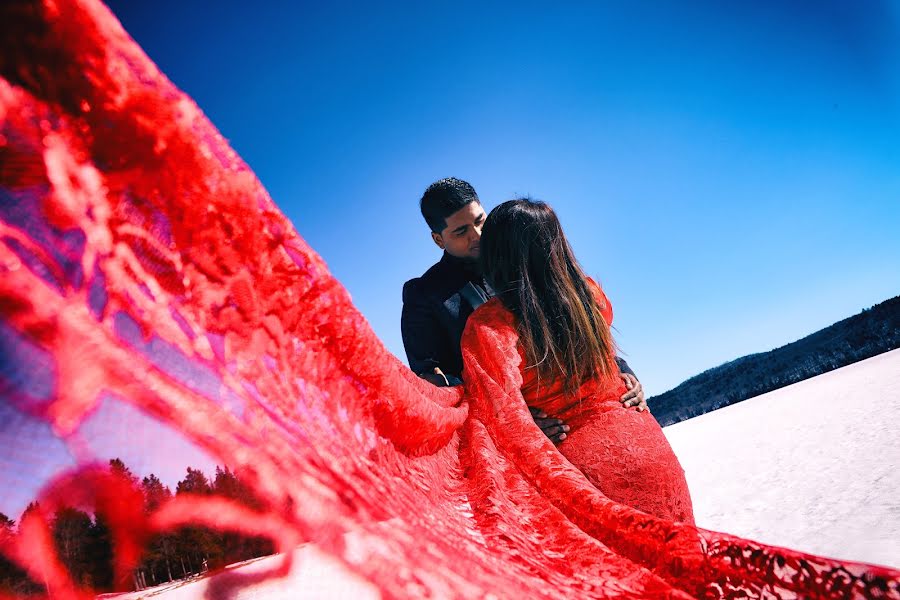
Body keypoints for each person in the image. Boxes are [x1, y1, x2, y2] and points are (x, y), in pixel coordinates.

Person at [461, 198, 694, 523]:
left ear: (495, 253)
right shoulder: (591, 295)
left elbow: (494, 413)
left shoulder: (490, 324)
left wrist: (526, 424)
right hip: (651, 452)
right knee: (680, 563)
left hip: (580, 474)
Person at [401, 178, 647, 443]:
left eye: (480, 221)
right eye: (461, 232)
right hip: (513, 443)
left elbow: (577, 320)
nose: (477, 236)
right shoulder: (423, 295)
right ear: (438, 239)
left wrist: (623, 373)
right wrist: (513, 417)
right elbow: (438, 386)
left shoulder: (522, 258)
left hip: (603, 414)